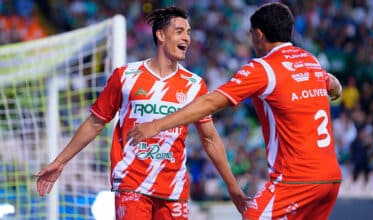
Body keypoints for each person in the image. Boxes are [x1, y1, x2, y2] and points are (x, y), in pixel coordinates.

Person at [127, 2, 343, 220]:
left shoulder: (264, 68)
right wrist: (336, 87)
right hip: (330, 180)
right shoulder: (310, 61)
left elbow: (211, 102)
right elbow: (332, 83)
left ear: (258, 34)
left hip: (295, 181)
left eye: (251, 34)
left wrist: (156, 125)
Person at [36, 6, 248, 219]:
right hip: (132, 184)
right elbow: (95, 123)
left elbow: (209, 138)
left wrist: (232, 186)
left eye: (189, 32)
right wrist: (60, 161)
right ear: (161, 35)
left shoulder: (194, 85)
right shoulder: (126, 76)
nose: (187, 38)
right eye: (180, 31)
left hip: (174, 189)